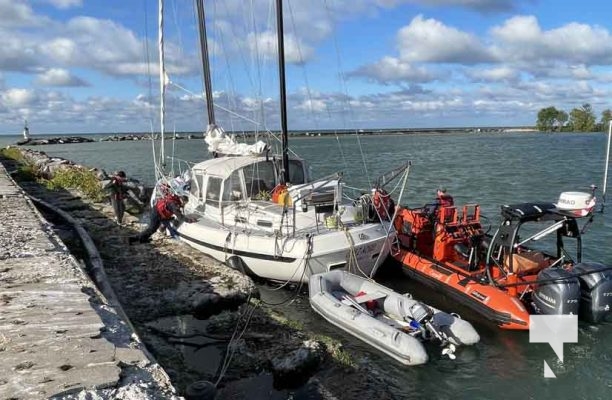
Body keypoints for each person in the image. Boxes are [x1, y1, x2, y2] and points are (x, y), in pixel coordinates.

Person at [128, 193, 196, 244]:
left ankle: (143, 239)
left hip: (158, 211)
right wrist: (189, 220)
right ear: (182, 200)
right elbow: (180, 216)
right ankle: (133, 238)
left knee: (154, 229)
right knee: (151, 228)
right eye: (185, 203)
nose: (184, 205)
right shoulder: (174, 205)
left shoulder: (175, 199)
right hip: (157, 213)